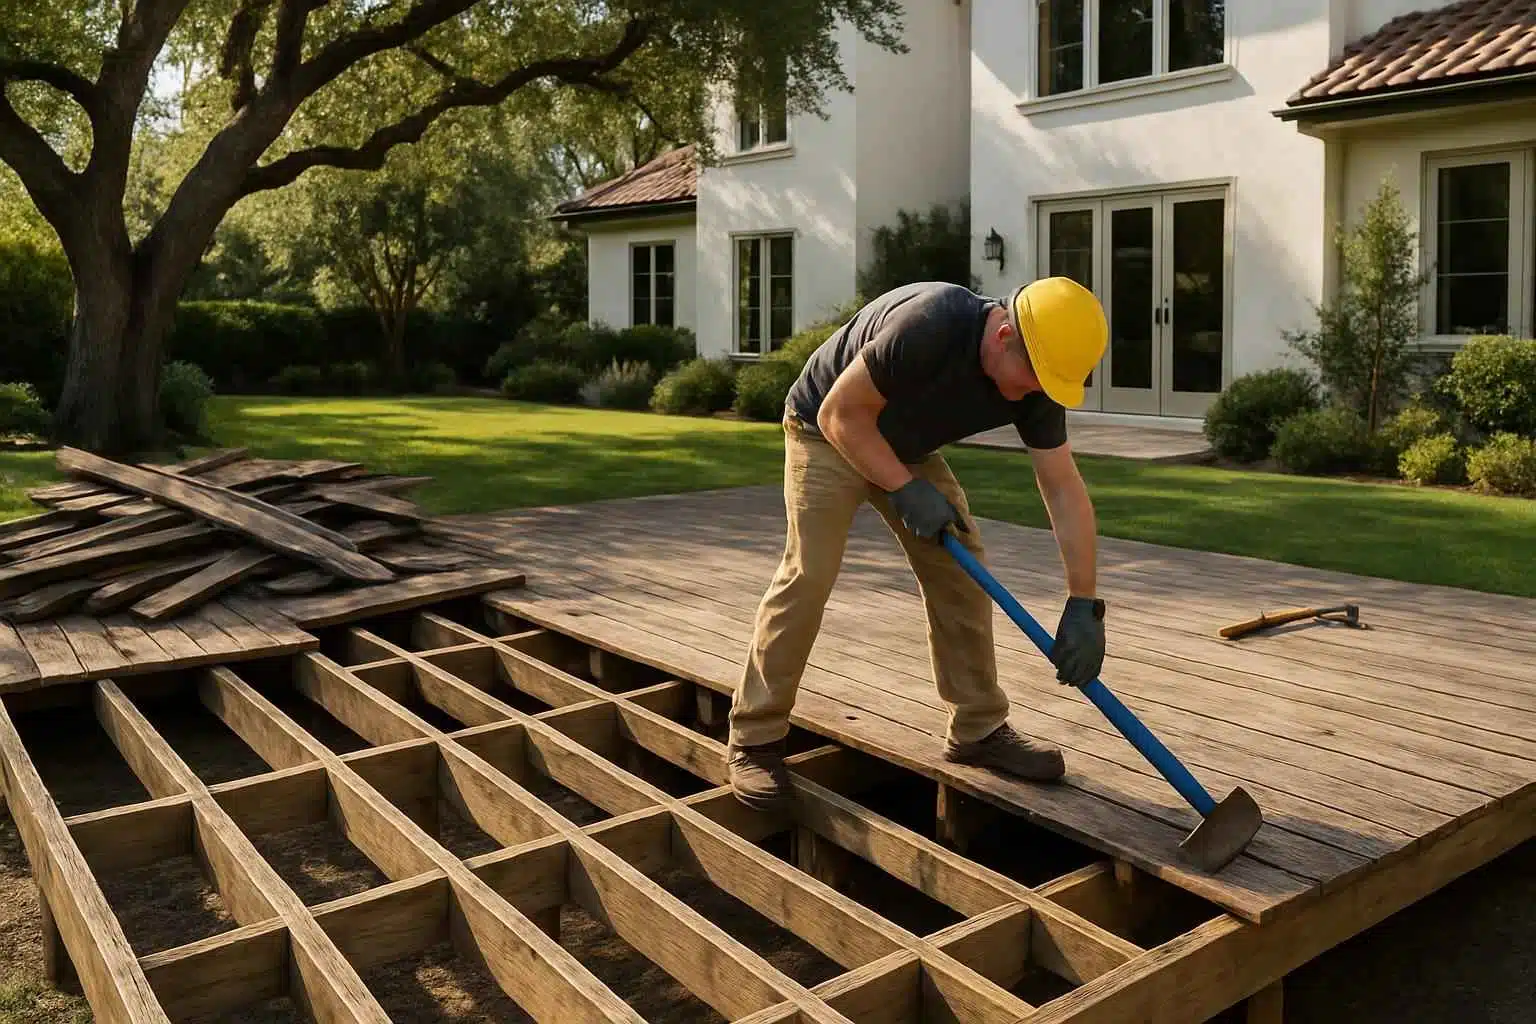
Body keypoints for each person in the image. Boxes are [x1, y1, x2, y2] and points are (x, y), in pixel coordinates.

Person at [725, 276, 1110, 811]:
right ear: (1003, 334)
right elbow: (842, 415)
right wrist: (905, 490)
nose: (1036, 391)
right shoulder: (930, 324)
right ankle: (755, 737)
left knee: (963, 573)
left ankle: (978, 730)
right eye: (1033, 377)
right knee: (809, 573)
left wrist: (1085, 602)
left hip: (905, 444)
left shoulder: (1038, 379)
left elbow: (1062, 486)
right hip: (824, 427)